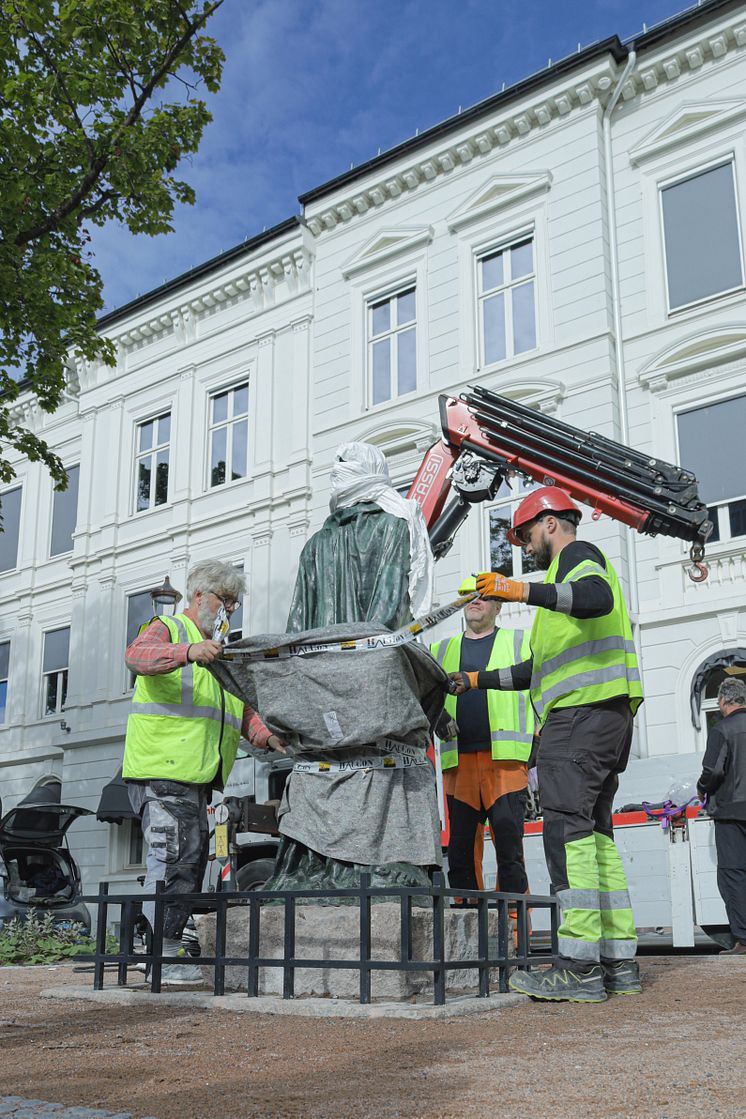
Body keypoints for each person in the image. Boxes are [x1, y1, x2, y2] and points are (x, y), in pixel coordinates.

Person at [451, 487, 643, 1003]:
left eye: (526, 535)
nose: (524, 546)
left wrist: (519, 590)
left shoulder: (578, 559)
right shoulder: (561, 587)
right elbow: (535, 670)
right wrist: (473, 680)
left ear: (552, 524)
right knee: (595, 834)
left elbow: (596, 597)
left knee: (566, 832)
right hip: (602, 715)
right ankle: (616, 962)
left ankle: (577, 967)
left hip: (581, 716)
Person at [123, 559, 284, 983]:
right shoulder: (171, 629)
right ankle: (159, 956)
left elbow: (241, 712)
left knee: (186, 862)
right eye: (225, 600)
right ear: (199, 596)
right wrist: (188, 652)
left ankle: (161, 951)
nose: (230, 610)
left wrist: (268, 738)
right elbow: (137, 657)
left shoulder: (220, 652)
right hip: (162, 770)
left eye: (235, 603)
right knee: (176, 858)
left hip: (194, 777)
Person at [431, 577, 533, 902]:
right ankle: (469, 927)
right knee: (460, 854)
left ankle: (515, 928)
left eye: (483, 596)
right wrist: (439, 718)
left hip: (505, 764)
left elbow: (540, 688)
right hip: (457, 765)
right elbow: (420, 695)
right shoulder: (439, 650)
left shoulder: (521, 641)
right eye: (468, 596)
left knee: (509, 851)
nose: (475, 601)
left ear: (498, 606)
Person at [697, 677, 746, 956]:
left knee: (734, 875)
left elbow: (713, 772)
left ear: (724, 702)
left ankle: (743, 939)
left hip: (730, 812)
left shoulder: (722, 730)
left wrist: (702, 788)